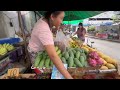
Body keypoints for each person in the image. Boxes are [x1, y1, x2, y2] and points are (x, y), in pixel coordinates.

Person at [28, 11, 73, 79]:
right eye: (61, 18)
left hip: (41, 50)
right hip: (36, 54)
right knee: (42, 75)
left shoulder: (45, 20)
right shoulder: (43, 28)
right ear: (52, 16)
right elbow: (53, 55)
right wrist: (68, 77)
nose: (62, 21)